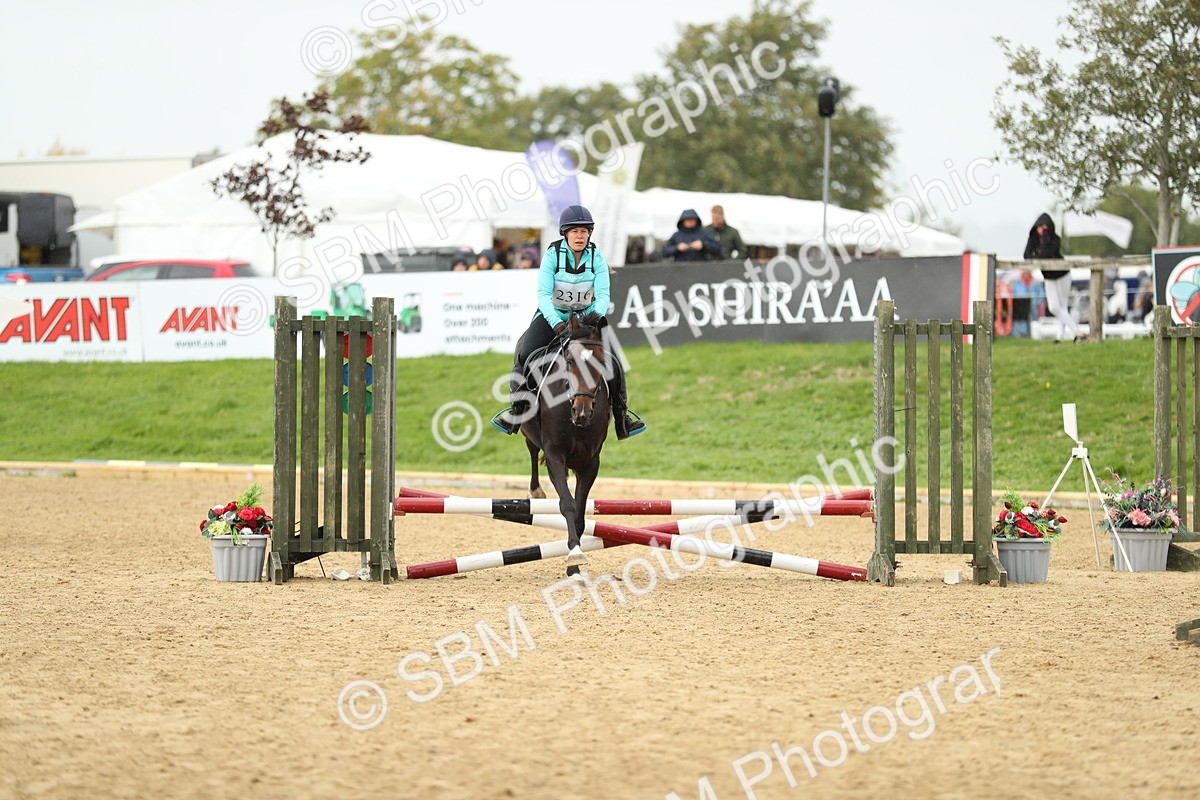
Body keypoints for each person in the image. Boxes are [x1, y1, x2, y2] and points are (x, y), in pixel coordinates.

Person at [492, 204, 646, 439]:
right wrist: (556, 323)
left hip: (586, 319)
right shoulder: (552, 256)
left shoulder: (597, 258)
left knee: (614, 359)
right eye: (575, 231)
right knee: (525, 353)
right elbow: (544, 295)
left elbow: (603, 296)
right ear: (565, 234)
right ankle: (517, 410)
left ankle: (622, 417)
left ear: (589, 234)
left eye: (584, 231)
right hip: (552, 316)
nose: (579, 236)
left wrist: (590, 319)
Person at [1025, 213, 1081, 343]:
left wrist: (1044, 239)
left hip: (1062, 274)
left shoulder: (1055, 239)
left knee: (1062, 306)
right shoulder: (1033, 239)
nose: (1042, 230)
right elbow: (1027, 255)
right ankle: (1076, 331)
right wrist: (1040, 255)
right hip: (1048, 276)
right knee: (1054, 307)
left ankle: (1060, 336)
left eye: (1044, 227)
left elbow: (1047, 253)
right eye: (1040, 227)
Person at [1009, 268, 1045, 338]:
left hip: (1034, 309)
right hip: (1020, 309)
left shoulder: (1036, 283)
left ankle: (1033, 336)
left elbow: (1041, 298)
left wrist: (1040, 311)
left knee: (1034, 324)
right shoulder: (1016, 283)